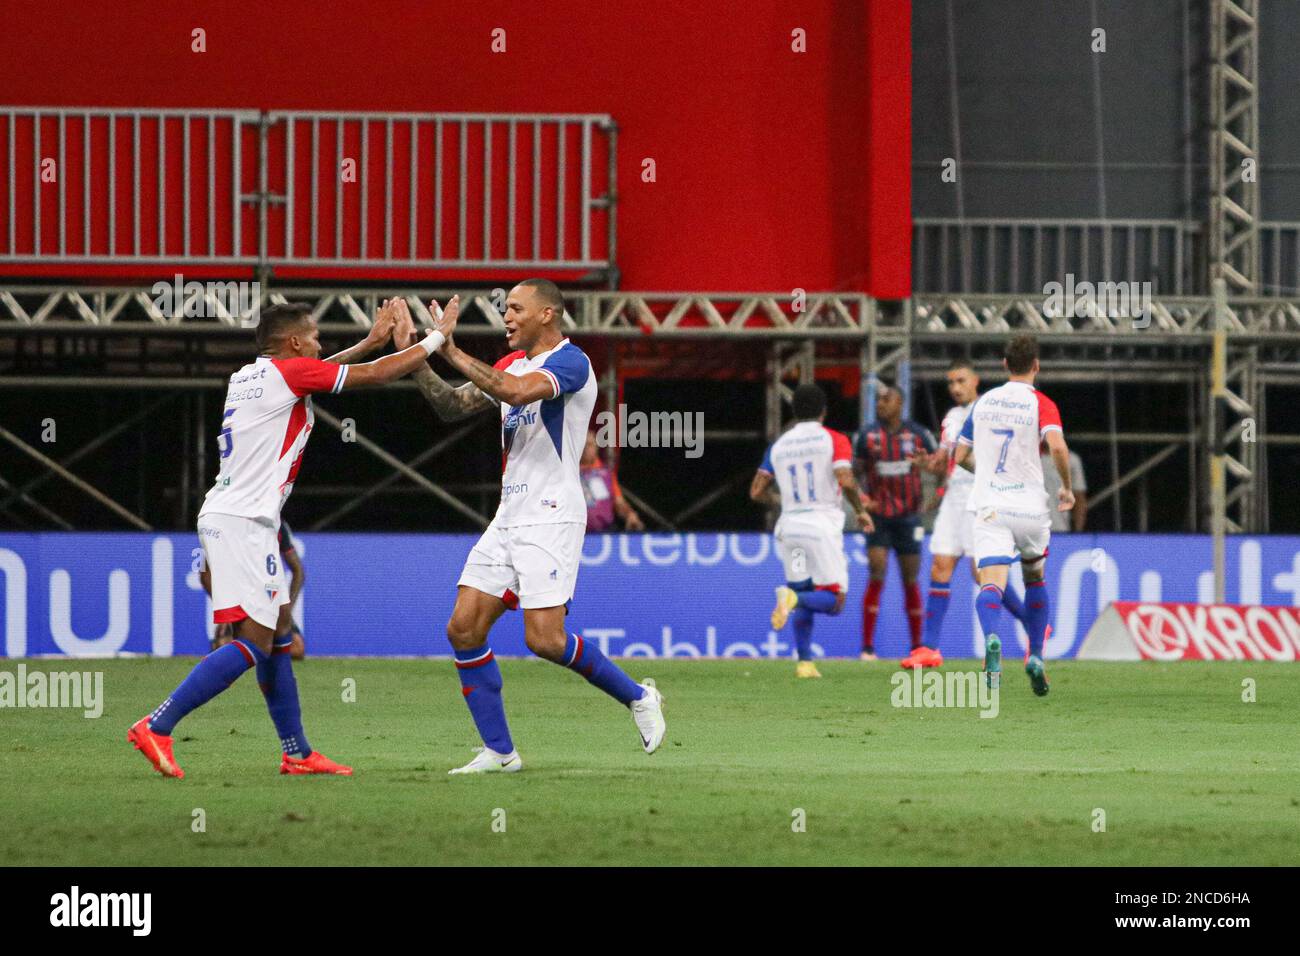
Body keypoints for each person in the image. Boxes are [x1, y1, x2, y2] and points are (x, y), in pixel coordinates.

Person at [127, 298, 450, 778]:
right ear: (295, 342)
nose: (321, 344)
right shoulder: (288, 376)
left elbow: (315, 372)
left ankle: (297, 753)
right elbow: (377, 376)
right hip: (242, 522)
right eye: (315, 336)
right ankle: (157, 725)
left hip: (243, 518)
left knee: (277, 635)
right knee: (253, 643)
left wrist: (369, 342)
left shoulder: (250, 375)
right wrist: (437, 338)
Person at [395, 280, 666, 775]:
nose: (508, 317)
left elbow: (516, 392)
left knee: (545, 640)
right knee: (462, 628)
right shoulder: (506, 365)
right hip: (510, 515)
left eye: (517, 309)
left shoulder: (570, 362)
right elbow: (451, 406)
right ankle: (500, 752)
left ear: (548, 314)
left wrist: (448, 347)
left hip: (553, 514)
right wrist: (415, 353)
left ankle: (638, 696)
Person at [953, 333, 1073, 697]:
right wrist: (1065, 487)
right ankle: (1036, 656)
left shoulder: (985, 401)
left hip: (992, 507)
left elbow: (958, 456)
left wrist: (986, 472)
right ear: (1036, 365)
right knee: (1035, 580)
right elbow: (1056, 446)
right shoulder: (1042, 403)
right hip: (1030, 509)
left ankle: (993, 639)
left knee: (991, 583)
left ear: (1005, 365)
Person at [908, 360, 1029, 669]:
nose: (955, 388)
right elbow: (945, 460)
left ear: (976, 381)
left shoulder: (991, 411)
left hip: (982, 499)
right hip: (954, 498)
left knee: (982, 574)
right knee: (939, 566)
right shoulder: (952, 417)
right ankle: (929, 649)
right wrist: (928, 464)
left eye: (961, 380)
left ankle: (1033, 624)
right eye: (950, 383)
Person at [750, 384, 873, 678]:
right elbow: (844, 479)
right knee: (834, 600)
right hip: (820, 527)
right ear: (823, 410)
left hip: (789, 528)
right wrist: (860, 510)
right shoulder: (834, 439)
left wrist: (781, 502)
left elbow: (756, 492)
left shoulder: (779, 445)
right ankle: (792, 601)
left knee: (801, 587)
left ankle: (805, 662)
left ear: (794, 411)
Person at [853, 385, 937, 661]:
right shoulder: (867, 436)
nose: (880, 404)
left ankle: (916, 647)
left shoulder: (919, 435)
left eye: (887, 400)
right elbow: (852, 474)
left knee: (910, 579)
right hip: (878, 517)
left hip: (909, 516)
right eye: (878, 400)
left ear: (901, 402)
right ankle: (867, 647)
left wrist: (934, 499)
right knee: (877, 572)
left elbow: (941, 467)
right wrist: (864, 499)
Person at [202, 519, 306, 660]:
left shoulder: (277, 525)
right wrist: (225, 606)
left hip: (270, 599)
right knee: (222, 645)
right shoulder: (223, 523)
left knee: (297, 649)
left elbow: (298, 571)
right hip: (239, 600)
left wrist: (287, 609)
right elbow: (204, 573)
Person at [581, 431, 645, 532]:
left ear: (596, 447)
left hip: (604, 533)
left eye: (589, 445)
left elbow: (619, 502)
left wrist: (629, 514)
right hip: (574, 532)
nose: (585, 449)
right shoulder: (567, 472)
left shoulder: (606, 474)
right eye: (582, 445)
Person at [1042, 446, 1088, 532]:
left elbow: (1079, 498)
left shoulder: (1071, 460)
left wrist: (1078, 533)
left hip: (1060, 530)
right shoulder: (1025, 459)